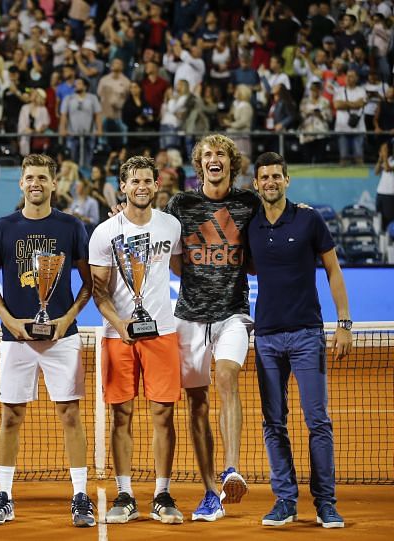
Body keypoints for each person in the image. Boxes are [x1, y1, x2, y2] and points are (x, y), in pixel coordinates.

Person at [0, 153, 95, 528]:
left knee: (70, 415)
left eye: (42, 178)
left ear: (53, 183)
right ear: (21, 182)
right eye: (30, 177)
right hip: (16, 339)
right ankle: (4, 495)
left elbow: (88, 283)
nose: (35, 184)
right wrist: (10, 321)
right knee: (10, 416)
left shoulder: (72, 226)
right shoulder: (1, 228)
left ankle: (80, 495)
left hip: (62, 337)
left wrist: (66, 320)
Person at [248, 152, 351, 529]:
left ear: (287, 180)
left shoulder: (309, 218)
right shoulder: (250, 225)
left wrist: (344, 323)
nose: (271, 182)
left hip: (308, 334)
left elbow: (334, 270)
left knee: (317, 420)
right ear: (256, 184)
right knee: (273, 422)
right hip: (267, 339)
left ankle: (325, 503)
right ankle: (285, 501)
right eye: (265, 177)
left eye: (277, 176)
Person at [164, 134, 258, 521]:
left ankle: (231, 468)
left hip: (233, 313)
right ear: (199, 165)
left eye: (220, 154)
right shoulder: (180, 204)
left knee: (227, 378)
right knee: (196, 403)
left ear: (230, 164)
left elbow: (265, 238)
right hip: (188, 316)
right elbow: (173, 261)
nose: (213, 159)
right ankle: (208, 494)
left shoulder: (248, 203)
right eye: (207, 155)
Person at [90, 156, 185, 525]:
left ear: (156, 184)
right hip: (119, 336)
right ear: (123, 187)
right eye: (135, 181)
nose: (142, 187)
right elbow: (98, 291)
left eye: (147, 180)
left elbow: (179, 267)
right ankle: (125, 494)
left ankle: (162, 493)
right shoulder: (105, 232)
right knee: (121, 416)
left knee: (163, 414)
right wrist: (120, 323)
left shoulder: (171, 227)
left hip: (162, 332)